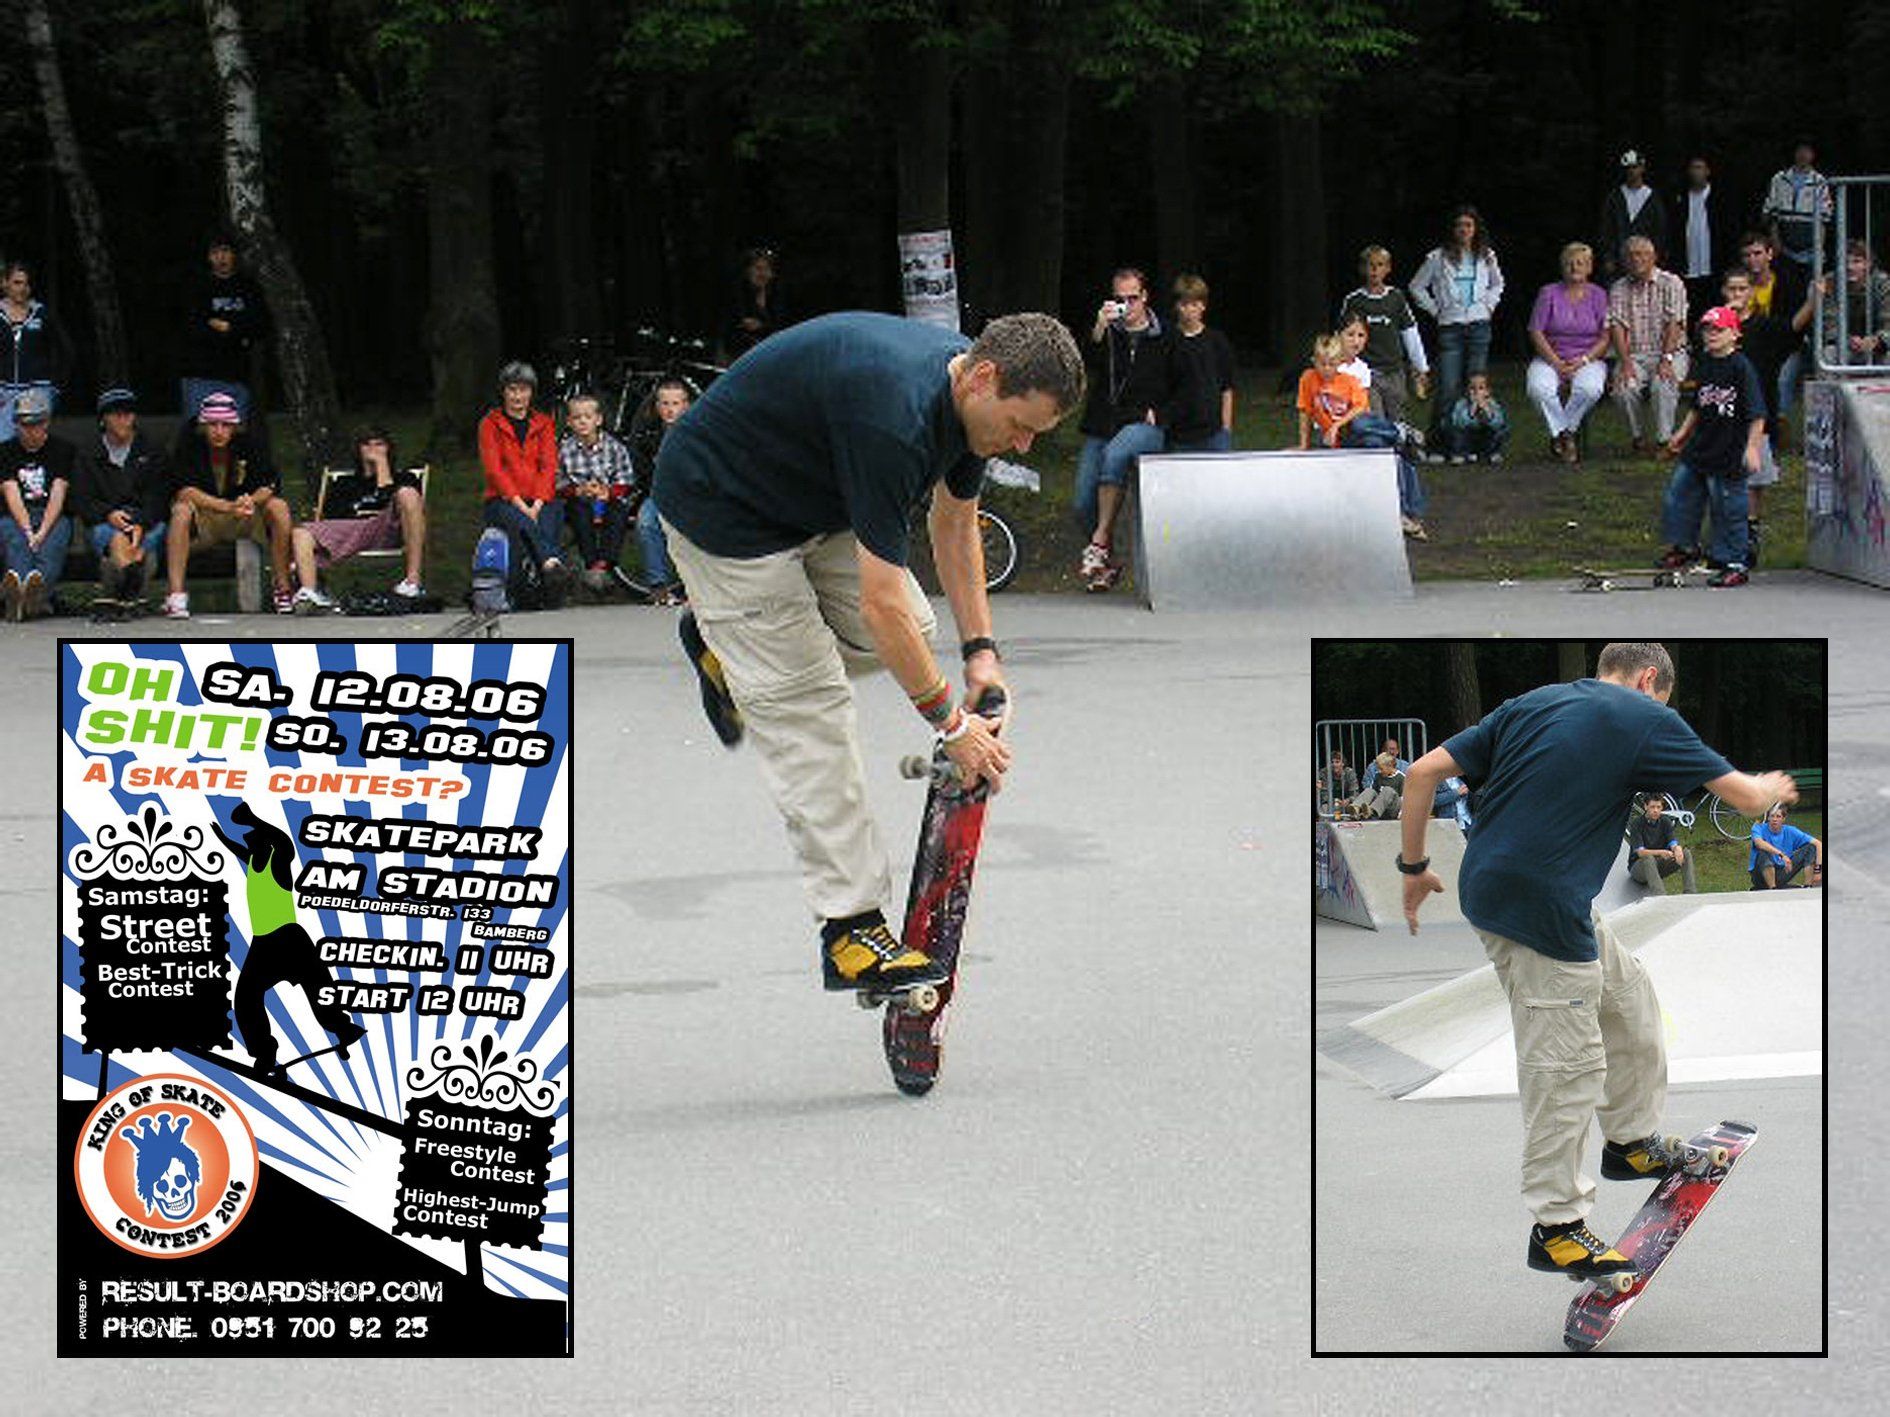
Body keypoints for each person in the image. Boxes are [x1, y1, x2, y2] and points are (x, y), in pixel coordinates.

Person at [651, 310, 1082, 993]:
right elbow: (878, 605)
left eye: (1036, 433)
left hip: (811, 506)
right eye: (1021, 425)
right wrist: (952, 725)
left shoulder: (969, 399)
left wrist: (981, 654)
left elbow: (954, 525)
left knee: (914, 626)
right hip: (725, 515)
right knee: (810, 706)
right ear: (984, 377)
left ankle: (727, 652)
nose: (1024, 445)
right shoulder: (894, 419)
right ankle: (850, 930)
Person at [1400, 641, 1799, 1280]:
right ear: (1649, 680)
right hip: (1540, 907)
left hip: (1513, 889)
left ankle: (1631, 1143)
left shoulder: (1534, 703)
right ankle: (1557, 1227)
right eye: (1662, 698)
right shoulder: (1645, 717)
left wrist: (1415, 867)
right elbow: (1748, 799)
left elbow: (1421, 773)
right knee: (1567, 1066)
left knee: (1629, 999)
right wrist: (1771, 786)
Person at [1072, 267, 1178, 590]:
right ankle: (1109, 562)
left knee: (1116, 455)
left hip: (1144, 423)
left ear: (1145, 297)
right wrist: (1100, 328)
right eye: (1120, 299)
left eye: (1133, 298)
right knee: (1082, 501)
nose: (1127, 306)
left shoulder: (1167, 336)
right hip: (1106, 422)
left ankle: (1100, 540)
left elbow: (1183, 383)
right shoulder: (1109, 334)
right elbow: (1084, 364)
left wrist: (1162, 414)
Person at [1657, 306, 1766, 588]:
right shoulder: (1705, 363)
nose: (1712, 334)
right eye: (1707, 329)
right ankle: (1685, 546)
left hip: (1729, 451)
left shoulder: (1741, 367)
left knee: (1728, 507)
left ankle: (1734, 562)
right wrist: (1681, 433)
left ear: (1735, 334)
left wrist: (1752, 448)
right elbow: (1698, 405)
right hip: (1700, 447)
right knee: (1679, 495)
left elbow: (1757, 413)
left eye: (1719, 330)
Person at [162, 391, 296, 618]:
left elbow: (269, 484)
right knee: (181, 511)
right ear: (203, 426)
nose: (219, 431)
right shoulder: (189, 442)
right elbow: (184, 489)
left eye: (225, 425)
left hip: (245, 514)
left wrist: (251, 500)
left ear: (235, 426)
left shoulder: (250, 442)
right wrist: (224, 506)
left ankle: (283, 588)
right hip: (205, 515)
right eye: (213, 425)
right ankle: (176, 594)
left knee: (279, 507)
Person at [1295, 333, 1427, 540]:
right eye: (1322, 364)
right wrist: (1303, 444)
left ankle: (1399, 433)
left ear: (1339, 363)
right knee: (1391, 450)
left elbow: (1361, 409)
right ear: (1314, 361)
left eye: (1331, 364)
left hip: (1355, 430)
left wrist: (1337, 425)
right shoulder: (1307, 378)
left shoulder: (1348, 381)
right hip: (1342, 440)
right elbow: (1305, 410)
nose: (1327, 369)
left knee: (1364, 427)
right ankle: (1401, 440)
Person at [289, 426, 427, 606]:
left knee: (408, 494)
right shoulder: (344, 483)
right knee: (301, 532)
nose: (373, 450)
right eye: (366, 444)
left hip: (391, 528)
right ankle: (310, 592)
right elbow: (332, 518)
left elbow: (391, 501)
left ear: (389, 449)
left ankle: (412, 582)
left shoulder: (405, 478)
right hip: (353, 532)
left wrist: (382, 466)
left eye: (379, 444)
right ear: (358, 450)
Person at [1409, 206, 1503, 455]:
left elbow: (1497, 284)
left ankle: (1475, 443)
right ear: (1453, 229)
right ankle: (1440, 443)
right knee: (1449, 387)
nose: (1464, 230)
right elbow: (1417, 286)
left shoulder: (1486, 256)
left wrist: (1489, 305)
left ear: (1476, 228)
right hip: (1450, 327)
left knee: (1477, 386)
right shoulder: (1437, 257)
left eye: (1469, 225)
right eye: (1460, 225)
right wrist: (1436, 309)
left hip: (1479, 325)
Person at [477, 361, 569, 608]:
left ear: (532, 392)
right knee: (522, 522)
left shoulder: (544, 423)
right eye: (512, 390)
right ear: (503, 392)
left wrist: (536, 504)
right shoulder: (489, 424)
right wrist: (520, 504)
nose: (518, 396)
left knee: (548, 517)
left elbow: (548, 466)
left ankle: (545, 591)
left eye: (524, 390)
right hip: (502, 499)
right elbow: (494, 470)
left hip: (539, 497)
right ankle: (551, 562)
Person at [72, 387, 169, 602]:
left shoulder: (153, 450)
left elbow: (160, 495)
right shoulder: (88, 454)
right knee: (114, 538)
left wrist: (140, 521)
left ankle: (119, 588)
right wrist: (109, 514)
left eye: (129, 414)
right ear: (103, 419)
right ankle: (131, 586)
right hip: (103, 522)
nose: (124, 420)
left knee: (145, 539)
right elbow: (82, 499)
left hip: (148, 522)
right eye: (117, 415)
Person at [1718, 268, 1785, 564]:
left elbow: (1791, 333)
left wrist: (1813, 301)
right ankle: (1726, 536)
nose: (1736, 294)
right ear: (1724, 292)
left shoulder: (1763, 326)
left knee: (1755, 479)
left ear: (1751, 292)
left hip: (1756, 413)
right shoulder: (1714, 326)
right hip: (1723, 415)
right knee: (1725, 480)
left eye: (1742, 289)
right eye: (1731, 289)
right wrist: (1726, 319)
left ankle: (1751, 530)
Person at [1525, 242, 1611, 463]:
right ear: (1562, 267)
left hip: (1587, 358)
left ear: (1589, 267)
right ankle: (1566, 435)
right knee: (1538, 388)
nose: (1574, 268)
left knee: (1590, 389)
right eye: (1569, 263)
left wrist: (1583, 360)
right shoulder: (1548, 293)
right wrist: (1556, 362)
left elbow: (1605, 338)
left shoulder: (1599, 295)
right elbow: (1536, 331)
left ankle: (1563, 432)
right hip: (1550, 357)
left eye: (1580, 263)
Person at [1607, 236, 1689, 452]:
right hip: (1633, 354)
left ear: (1654, 257)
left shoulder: (1671, 282)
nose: (1636, 259)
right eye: (1630, 255)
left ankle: (1664, 440)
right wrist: (1625, 363)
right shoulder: (1619, 287)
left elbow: (1675, 323)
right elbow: (1617, 326)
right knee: (1624, 388)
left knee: (1663, 384)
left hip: (1670, 351)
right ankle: (1638, 437)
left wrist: (1666, 359)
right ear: (1624, 261)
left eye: (1642, 253)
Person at [0, 387, 75, 620]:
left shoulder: (63, 450)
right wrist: (27, 530)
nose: (30, 430)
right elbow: (11, 492)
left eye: (36, 424)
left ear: (46, 423)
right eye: (24, 424)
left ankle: (32, 598)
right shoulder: (5, 451)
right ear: (16, 424)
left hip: (51, 513)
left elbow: (58, 493)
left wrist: (41, 532)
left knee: (51, 547)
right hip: (16, 514)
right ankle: (20, 596)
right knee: (16, 543)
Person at [179, 233, 269, 422]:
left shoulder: (248, 287)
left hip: (238, 375)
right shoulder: (198, 287)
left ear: (234, 255)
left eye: (225, 251)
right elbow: (193, 327)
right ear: (209, 257)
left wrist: (228, 327)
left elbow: (259, 326)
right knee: (199, 432)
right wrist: (237, 333)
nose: (221, 257)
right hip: (201, 375)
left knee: (233, 432)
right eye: (215, 252)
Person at [1338, 245, 1430, 423]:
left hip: (1394, 371)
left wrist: (1421, 367)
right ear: (1362, 268)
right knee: (1375, 420)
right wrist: (1340, 363)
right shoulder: (1354, 301)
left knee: (1396, 419)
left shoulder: (1396, 298)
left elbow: (1410, 332)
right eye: (1370, 265)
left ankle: (1400, 440)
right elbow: (1343, 336)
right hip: (1367, 372)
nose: (1374, 270)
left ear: (1388, 268)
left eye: (1380, 265)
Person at [556, 393, 636, 592]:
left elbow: (625, 478)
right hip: (579, 498)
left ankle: (606, 562)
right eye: (577, 418)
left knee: (618, 513)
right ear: (569, 422)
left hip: (608, 497)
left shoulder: (614, 447)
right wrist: (577, 490)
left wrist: (608, 492)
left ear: (598, 420)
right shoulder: (564, 450)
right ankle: (591, 561)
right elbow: (558, 481)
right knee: (579, 514)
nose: (582, 422)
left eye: (588, 417)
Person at [628, 378, 693, 604]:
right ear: (657, 406)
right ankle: (658, 586)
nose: (670, 409)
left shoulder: (698, 432)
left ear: (686, 405)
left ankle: (691, 585)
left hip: (691, 496)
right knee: (646, 522)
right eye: (665, 403)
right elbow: (640, 468)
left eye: (675, 403)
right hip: (658, 493)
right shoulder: (647, 434)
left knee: (692, 525)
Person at [1739, 229, 1810, 425]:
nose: (1752, 259)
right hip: (1750, 347)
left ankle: (1778, 425)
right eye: (1747, 255)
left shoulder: (1787, 281)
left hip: (1785, 346)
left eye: (1757, 253)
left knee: (1782, 380)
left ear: (1770, 254)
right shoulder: (1738, 286)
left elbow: (1793, 327)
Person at [0, 261, 74, 443]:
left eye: (26, 283)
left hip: (37, 391)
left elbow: (66, 351)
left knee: (33, 443)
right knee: (4, 442)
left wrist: (55, 388)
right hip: (4, 392)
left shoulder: (42, 313)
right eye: (17, 283)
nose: (22, 289)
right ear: (4, 283)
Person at [1791, 238, 1890, 369]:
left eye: (1857, 261)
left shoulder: (1882, 284)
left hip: (1876, 348)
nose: (1850, 267)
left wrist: (1876, 341)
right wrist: (1848, 340)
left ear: (1868, 264)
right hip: (1842, 346)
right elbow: (1829, 325)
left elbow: (1887, 321)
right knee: (1827, 355)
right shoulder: (1828, 283)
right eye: (1845, 262)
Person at [1166, 274, 1235, 452]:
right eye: (1184, 304)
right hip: (1178, 434)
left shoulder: (1217, 341)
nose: (1189, 310)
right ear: (1177, 306)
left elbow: (1226, 388)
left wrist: (1226, 428)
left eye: (1194, 304)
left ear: (1203, 305)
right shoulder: (1168, 341)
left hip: (1214, 433)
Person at [1670, 156, 1735, 329]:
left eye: (1700, 167)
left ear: (1707, 171)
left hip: (1713, 265)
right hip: (1688, 265)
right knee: (1688, 310)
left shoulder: (1720, 198)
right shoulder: (1681, 198)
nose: (1696, 172)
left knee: (1713, 309)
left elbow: (1728, 231)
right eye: (1693, 168)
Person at [1762, 140, 1832, 274]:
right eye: (1800, 150)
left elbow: (1824, 218)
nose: (1803, 155)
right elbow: (1772, 213)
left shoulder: (1819, 180)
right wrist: (1775, 240)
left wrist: (1819, 248)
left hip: (1809, 242)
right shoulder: (1779, 178)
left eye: (1807, 151)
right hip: (1785, 241)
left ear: (1813, 155)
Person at [1597, 150, 1667, 280]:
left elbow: (1659, 231)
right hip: (1620, 261)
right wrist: (1608, 257)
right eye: (1628, 168)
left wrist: (1656, 257)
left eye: (1635, 167)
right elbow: (1607, 230)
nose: (1632, 171)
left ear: (1642, 168)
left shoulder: (1653, 198)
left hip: (1645, 260)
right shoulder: (1615, 197)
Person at [723, 247, 790, 360]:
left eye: (767, 269)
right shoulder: (736, 294)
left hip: (771, 352)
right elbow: (730, 328)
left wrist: (762, 326)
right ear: (747, 271)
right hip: (740, 354)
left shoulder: (777, 295)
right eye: (758, 268)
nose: (762, 273)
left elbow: (783, 327)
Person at [1627, 794, 1696, 893]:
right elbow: (1641, 853)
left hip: (1658, 865)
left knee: (1686, 853)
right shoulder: (1637, 824)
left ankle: (1690, 893)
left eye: (1658, 807)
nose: (1655, 810)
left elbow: (1672, 842)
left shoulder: (1665, 821)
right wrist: (1661, 852)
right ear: (1645, 807)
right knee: (1648, 857)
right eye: (1652, 807)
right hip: (1639, 868)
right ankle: (1660, 896)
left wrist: (1677, 848)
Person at [1438, 370, 1509, 464]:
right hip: (1467, 438)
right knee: (1455, 432)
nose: (1476, 392)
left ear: (1487, 391)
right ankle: (1461, 453)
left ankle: (1492, 453)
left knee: (1500, 431)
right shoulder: (1461, 404)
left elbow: (1498, 423)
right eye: (1472, 388)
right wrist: (1472, 411)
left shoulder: (1492, 404)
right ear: (1466, 391)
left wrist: (1488, 412)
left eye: (1481, 388)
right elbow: (1460, 423)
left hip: (1485, 438)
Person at [1748, 803, 1823, 890]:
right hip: (1760, 875)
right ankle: (1773, 889)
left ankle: (1808, 887)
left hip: (1781, 872)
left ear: (1783, 819)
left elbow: (1818, 844)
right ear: (1768, 818)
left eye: (1778, 816)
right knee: (1763, 852)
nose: (1774, 819)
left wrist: (1818, 871)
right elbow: (1759, 843)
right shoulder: (1758, 828)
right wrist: (1782, 855)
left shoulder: (1790, 831)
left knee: (1810, 848)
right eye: (1772, 816)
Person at [1319, 751, 1360, 818]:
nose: (1334, 764)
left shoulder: (1349, 773)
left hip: (1347, 802)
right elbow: (1324, 794)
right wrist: (1335, 800)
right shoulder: (1324, 773)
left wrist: (1348, 800)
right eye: (1332, 762)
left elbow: (1355, 792)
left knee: (1354, 808)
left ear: (1343, 763)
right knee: (1324, 808)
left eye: (1337, 762)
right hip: (1330, 802)